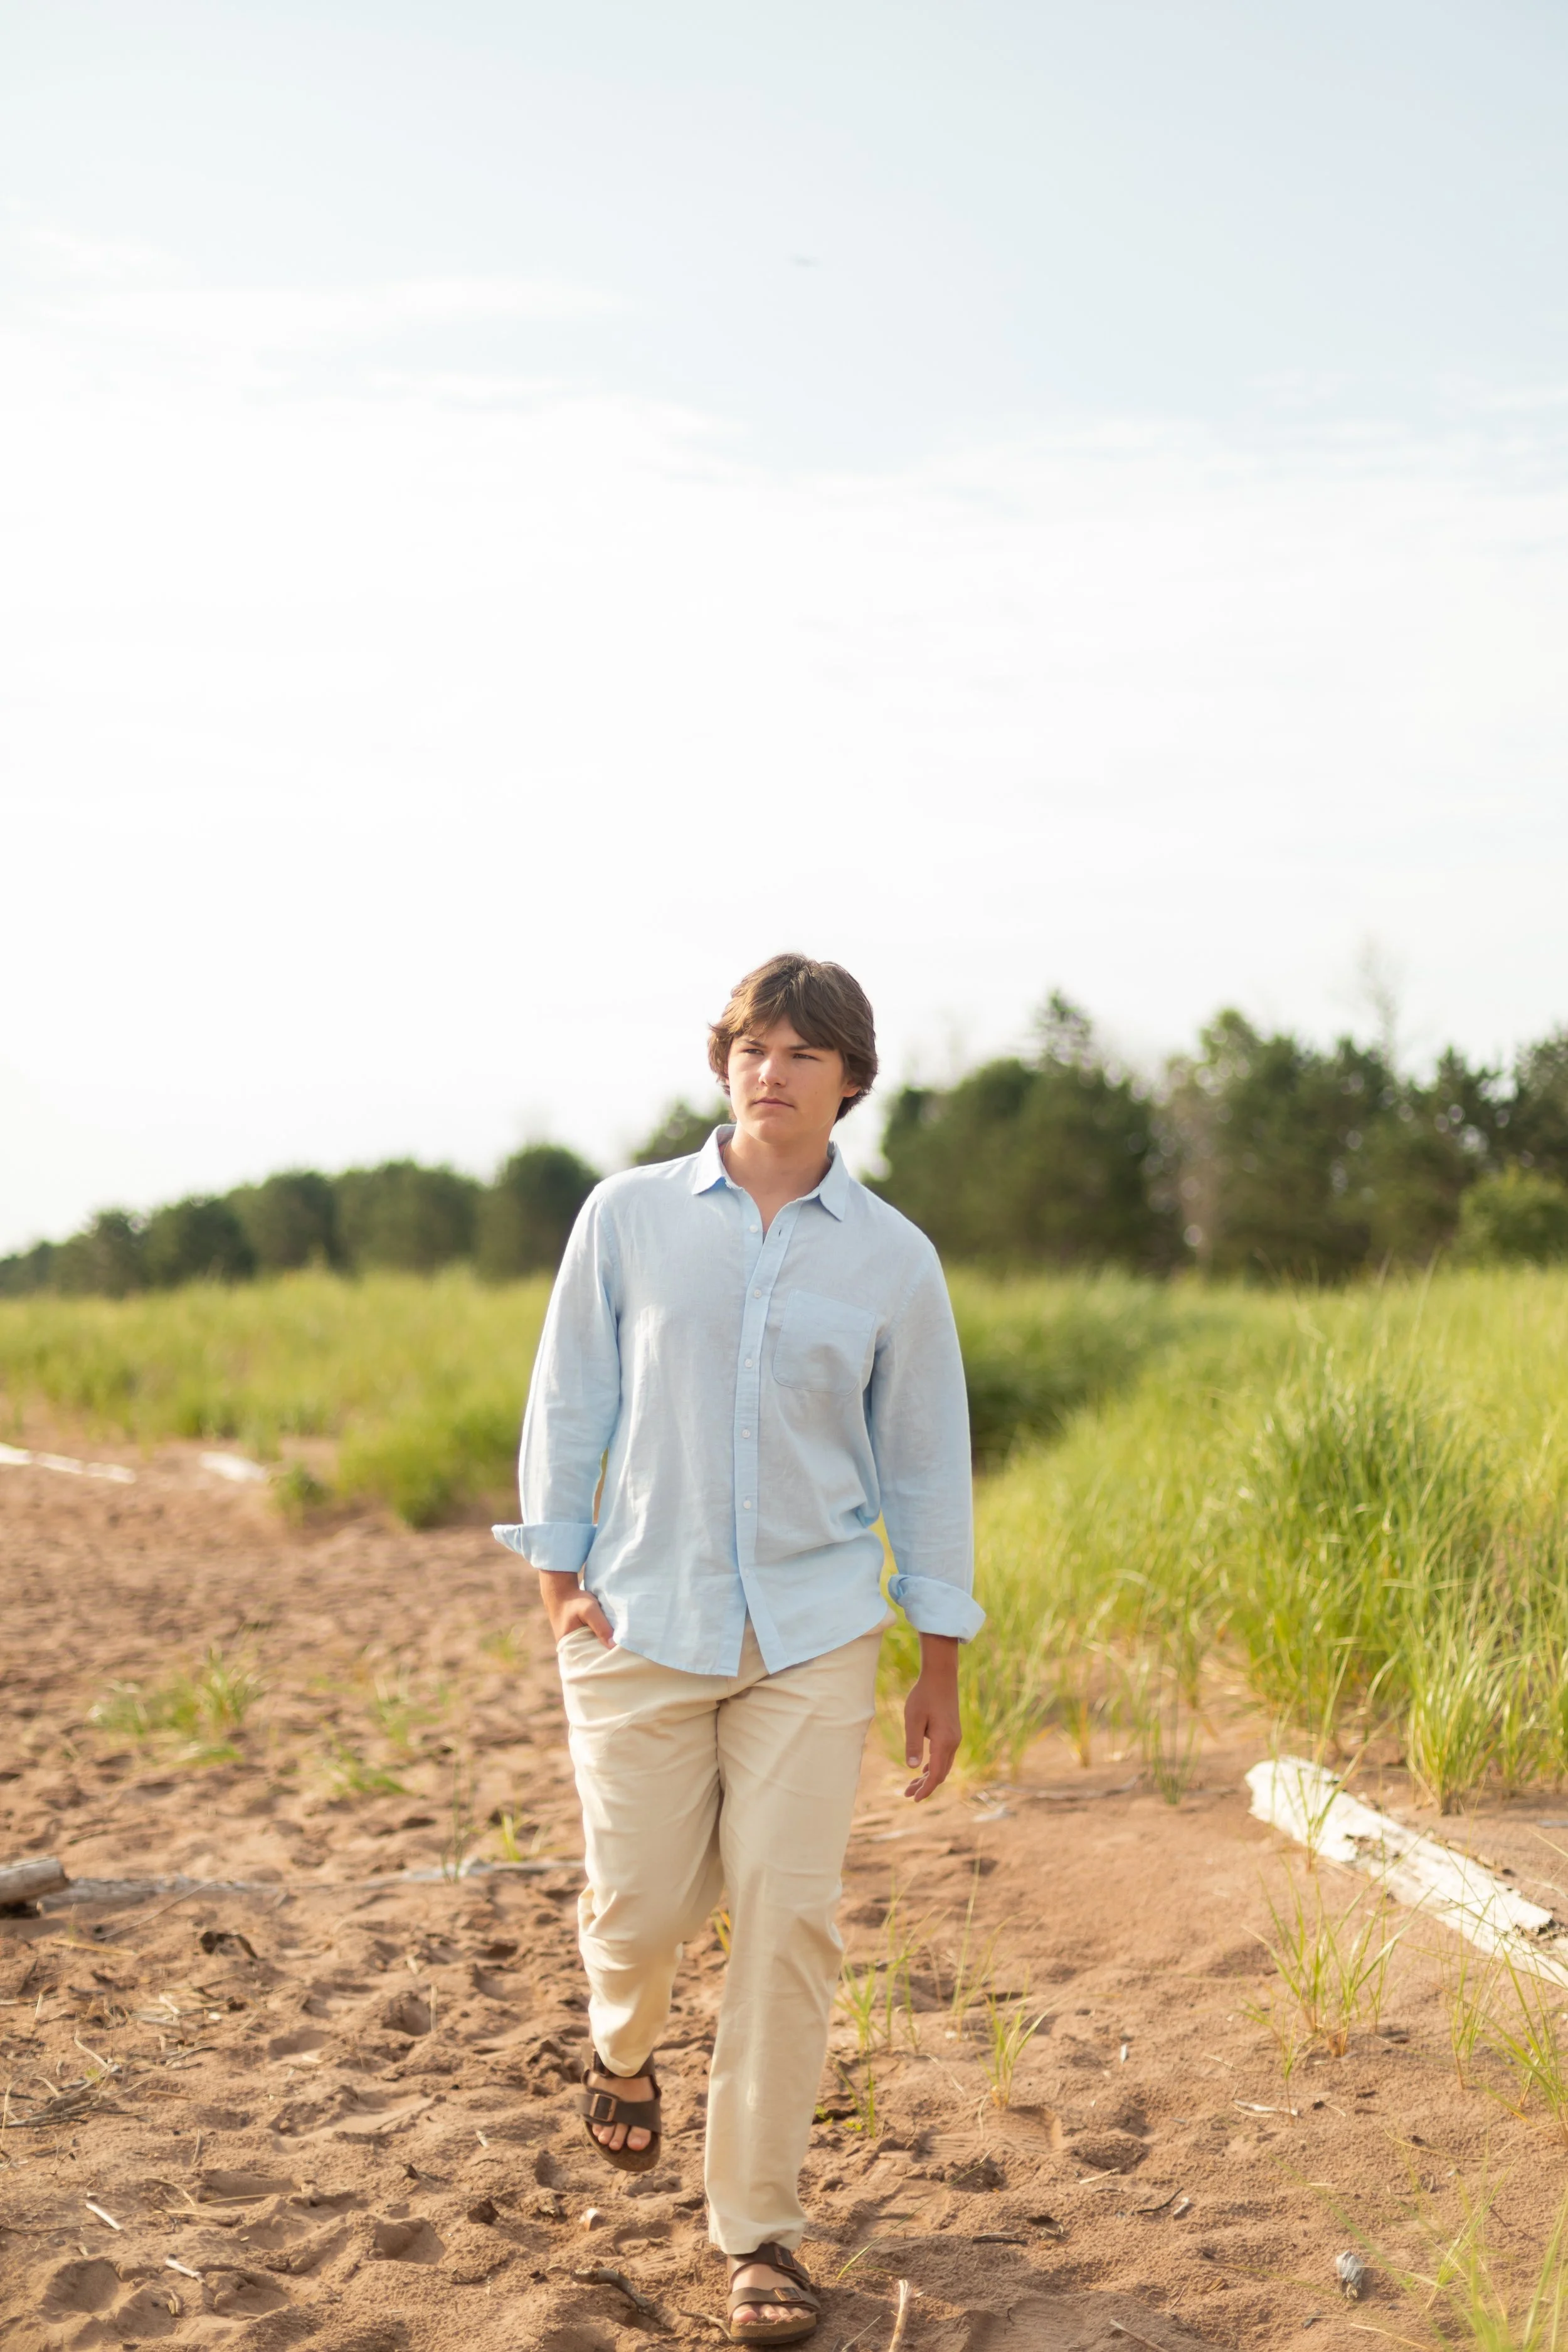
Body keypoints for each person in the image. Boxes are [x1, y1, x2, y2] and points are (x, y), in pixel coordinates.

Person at [494, 953, 982, 2344]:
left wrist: (937, 1654)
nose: (768, 1072)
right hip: (639, 1621)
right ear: (723, 1062)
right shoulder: (629, 1219)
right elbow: (568, 1401)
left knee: (787, 1914)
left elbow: (924, 1466)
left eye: (799, 1055)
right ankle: (619, 2046)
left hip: (813, 1634)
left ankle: (760, 2233)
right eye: (750, 1047)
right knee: (638, 1912)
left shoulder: (892, 1260)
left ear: (849, 1083)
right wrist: (556, 1584)